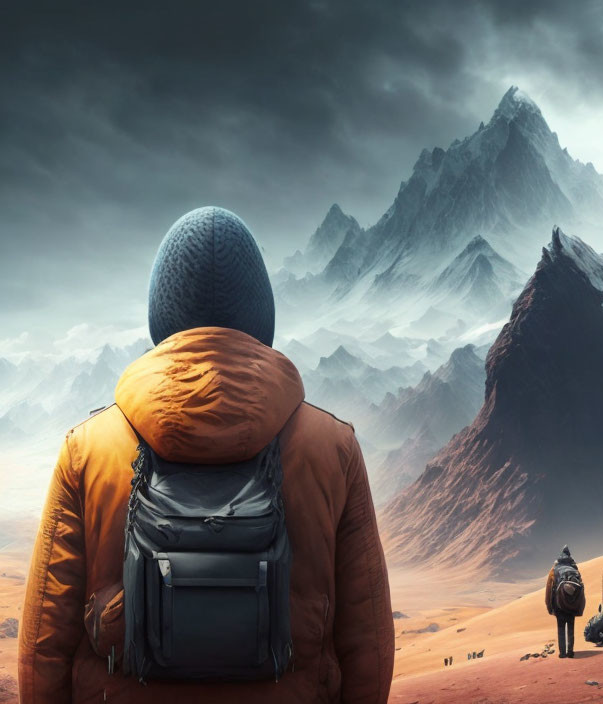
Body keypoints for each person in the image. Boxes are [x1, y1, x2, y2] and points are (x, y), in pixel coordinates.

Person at [18, 207, 394, 703]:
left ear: (161, 311)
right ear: (262, 314)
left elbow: (44, 647)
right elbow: (367, 643)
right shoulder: (333, 449)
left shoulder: (86, 450)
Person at [545, 545, 584, 659]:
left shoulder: (554, 570)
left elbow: (549, 589)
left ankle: (562, 653)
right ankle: (570, 652)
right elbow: (581, 589)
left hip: (559, 605)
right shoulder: (575, 569)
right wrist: (579, 607)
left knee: (561, 629)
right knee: (571, 628)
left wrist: (549, 606)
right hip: (572, 605)